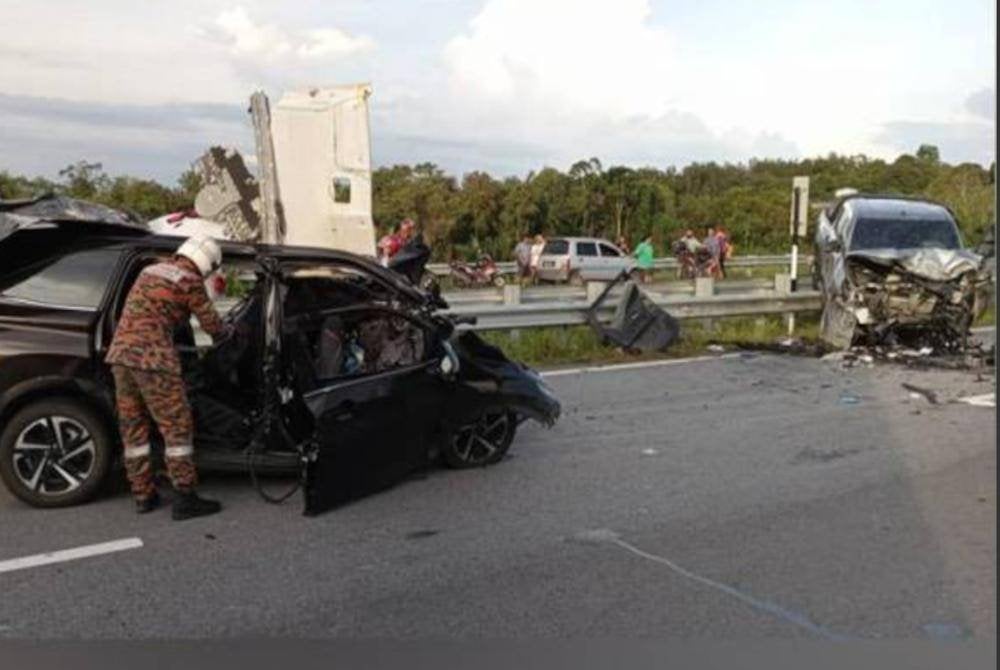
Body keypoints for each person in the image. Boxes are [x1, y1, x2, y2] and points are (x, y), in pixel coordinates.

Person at [105, 235, 229, 520]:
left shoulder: (149, 270)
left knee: (134, 427)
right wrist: (229, 334)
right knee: (177, 427)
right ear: (205, 262)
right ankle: (185, 497)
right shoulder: (189, 280)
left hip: (121, 358)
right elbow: (213, 326)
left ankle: (143, 495)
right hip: (153, 360)